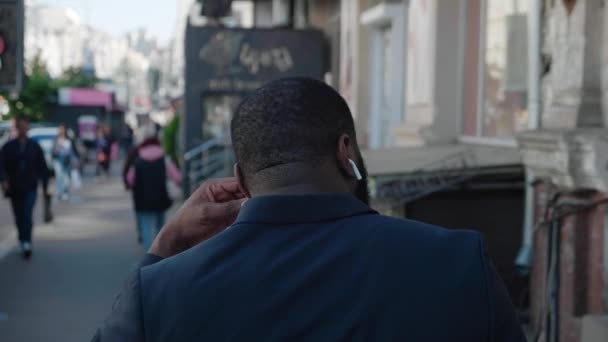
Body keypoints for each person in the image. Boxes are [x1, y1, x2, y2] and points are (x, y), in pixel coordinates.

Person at [94, 78, 525, 341]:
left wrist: (166, 245)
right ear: (345, 151)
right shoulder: (457, 262)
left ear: (241, 179)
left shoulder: (159, 294)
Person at [124, 125, 182, 251]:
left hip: (142, 200)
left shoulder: (138, 159)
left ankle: (149, 256)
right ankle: (160, 254)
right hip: (161, 198)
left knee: (146, 229)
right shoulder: (164, 158)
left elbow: (130, 179)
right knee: (160, 227)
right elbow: (178, 177)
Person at [0, 116, 49, 259]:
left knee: (27, 214)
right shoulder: (9, 147)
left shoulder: (34, 146)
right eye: (20, 126)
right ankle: (22, 238)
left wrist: (45, 185)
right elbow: (1, 165)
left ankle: (27, 241)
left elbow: (42, 167)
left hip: (30, 186)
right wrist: (4, 180)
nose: (23, 129)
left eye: (25, 126)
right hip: (14, 187)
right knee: (19, 215)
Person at [52, 125, 77, 200]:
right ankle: (59, 192)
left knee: (66, 177)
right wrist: (58, 146)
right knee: (59, 176)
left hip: (67, 160)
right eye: (60, 129)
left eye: (63, 129)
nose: (62, 131)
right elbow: (54, 151)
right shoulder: (56, 139)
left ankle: (65, 192)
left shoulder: (69, 139)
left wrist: (75, 160)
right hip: (58, 160)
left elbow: (73, 151)